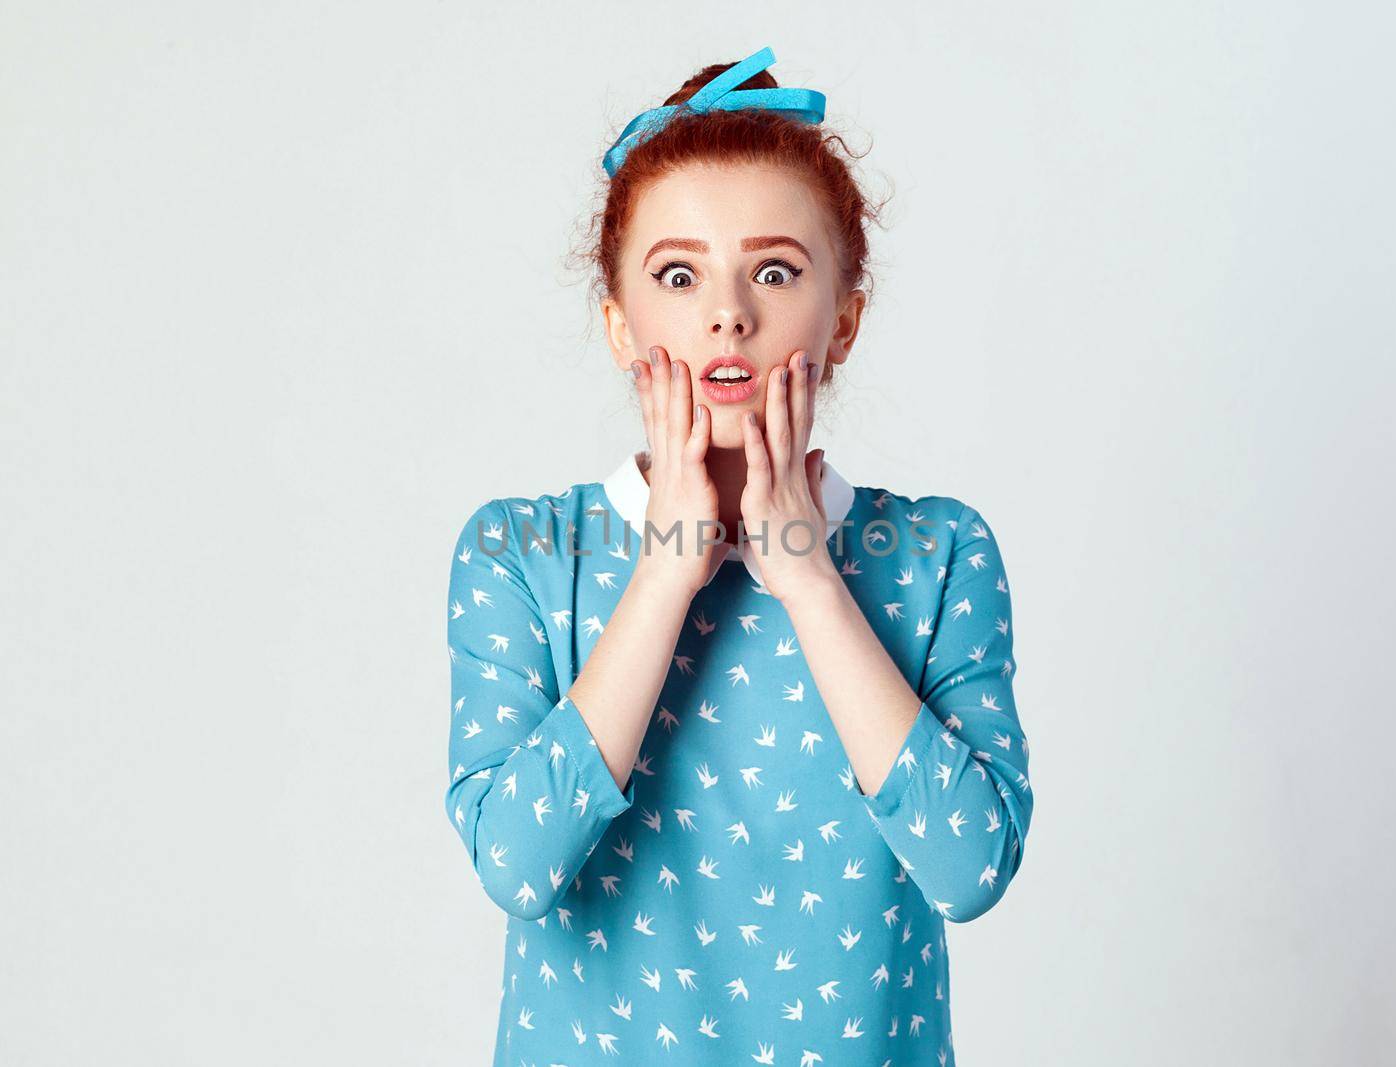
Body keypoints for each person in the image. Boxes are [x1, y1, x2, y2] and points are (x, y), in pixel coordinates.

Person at [442, 46, 1034, 1067]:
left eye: (774, 270)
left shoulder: (936, 553)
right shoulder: (523, 551)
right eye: (679, 274)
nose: (728, 313)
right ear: (620, 325)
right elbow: (517, 860)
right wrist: (668, 568)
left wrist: (805, 574)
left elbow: (970, 863)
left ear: (843, 318)